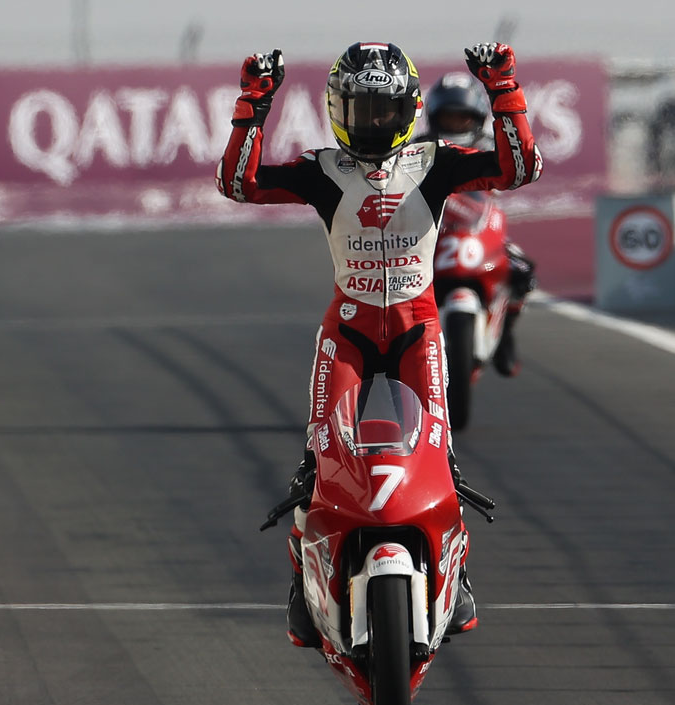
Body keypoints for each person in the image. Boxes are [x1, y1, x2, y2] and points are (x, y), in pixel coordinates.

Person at [216, 42, 542, 647]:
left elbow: (520, 169)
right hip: (349, 331)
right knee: (317, 461)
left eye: (383, 110)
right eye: (359, 111)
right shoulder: (323, 168)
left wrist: (504, 90)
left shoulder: (436, 162)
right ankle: (302, 585)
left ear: (409, 110)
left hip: (419, 327)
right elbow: (239, 183)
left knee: (441, 455)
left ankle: (458, 578)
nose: (371, 123)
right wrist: (253, 104)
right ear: (336, 110)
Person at [420, 72, 537, 376]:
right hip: (426, 233)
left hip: (480, 231)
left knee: (523, 270)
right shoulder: (417, 148)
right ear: (434, 117)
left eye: (462, 117)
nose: (455, 124)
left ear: (477, 118)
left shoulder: (492, 146)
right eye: (448, 117)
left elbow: (521, 167)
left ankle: (506, 332)